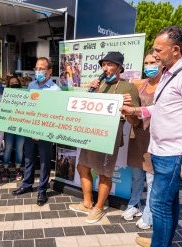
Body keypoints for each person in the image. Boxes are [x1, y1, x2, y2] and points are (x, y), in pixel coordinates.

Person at [121, 26, 182, 247]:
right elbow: (160, 108)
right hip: (161, 150)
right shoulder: (169, 72)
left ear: (175, 49)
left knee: (159, 203)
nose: (153, 55)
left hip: (174, 153)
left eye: (157, 50)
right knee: (169, 203)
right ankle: (163, 240)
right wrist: (134, 111)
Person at [68, 52, 140, 223]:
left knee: (104, 173)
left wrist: (128, 109)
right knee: (82, 167)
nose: (105, 69)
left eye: (109, 65)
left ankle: (99, 208)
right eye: (103, 65)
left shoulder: (128, 88)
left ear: (119, 68)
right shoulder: (98, 85)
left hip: (109, 137)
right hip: (90, 134)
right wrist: (89, 92)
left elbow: (135, 120)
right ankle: (87, 203)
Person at [121, 49, 163, 230]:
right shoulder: (141, 85)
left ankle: (149, 213)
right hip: (138, 134)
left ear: (161, 63)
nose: (149, 66)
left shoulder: (166, 85)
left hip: (156, 137)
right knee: (137, 175)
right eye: (146, 63)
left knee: (151, 178)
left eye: (153, 62)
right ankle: (134, 205)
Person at [12, 57, 61, 206]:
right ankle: (27, 184)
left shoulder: (55, 90)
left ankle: (42, 190)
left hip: (45, 132)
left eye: (41, 69)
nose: (38, 71)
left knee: (45, 161)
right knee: (28, 158)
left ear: (49, 71)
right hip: (30, 128)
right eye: (36, 69)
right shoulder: (31, 85)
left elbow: (56, 113)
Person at [2, 76, 25, 181]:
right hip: (9, 127)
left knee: (19, 149)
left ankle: (18, 169)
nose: (14, 84)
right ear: (8, 85)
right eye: (12, 83)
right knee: (8, 148)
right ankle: (5, 169)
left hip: (20, 127)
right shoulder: (4, 95)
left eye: (16, 82)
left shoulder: (25, 95)